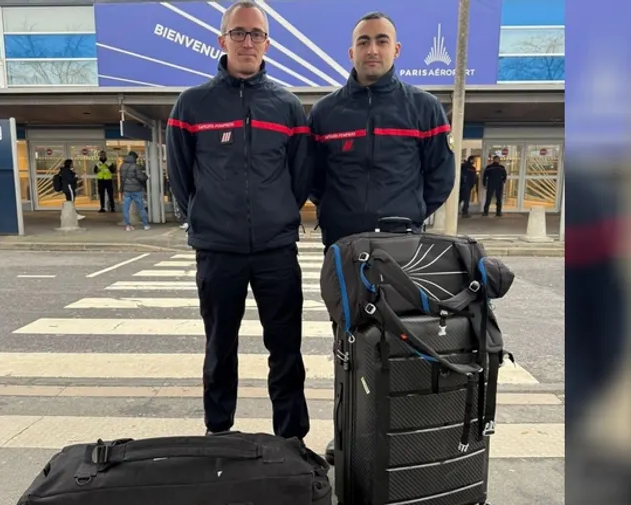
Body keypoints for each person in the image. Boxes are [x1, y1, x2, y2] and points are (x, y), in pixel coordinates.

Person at [307, 11, 455, 463]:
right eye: (364, 41)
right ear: (351, 52)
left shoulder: (424, 108)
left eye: (382, 40)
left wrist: (407, 218)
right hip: (345, 251)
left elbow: (440, 177)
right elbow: (314, 178)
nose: (373, 49)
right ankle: (348, 434)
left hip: (402, 253)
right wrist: (340, 218)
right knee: (348, 342)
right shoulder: (325, 112)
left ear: (396, 50)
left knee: (402, 341)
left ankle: (399, 436)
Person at [165, 0, 312, 441]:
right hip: (218, 251)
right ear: (222, 39)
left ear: (267, 43)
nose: (248, 42)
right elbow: (180, 176)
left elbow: (300, 177)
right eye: (239, 32)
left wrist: (276, 214)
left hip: (275, 252)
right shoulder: (192, 105)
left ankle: (291, 441)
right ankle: (218, 435)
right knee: (219, 348)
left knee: (285, 350)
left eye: (257, 35)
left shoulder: (287, 106)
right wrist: (207, 218)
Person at [118, 151, 150, 231]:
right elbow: (140, 178)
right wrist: (146, 177)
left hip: (126, 190)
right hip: (136, 190)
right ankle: (145, 225)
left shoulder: (122, 166)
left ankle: (127, 226)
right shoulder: (136, 166)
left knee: (126, 208)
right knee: (141, 208)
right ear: (135, 158)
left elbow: (122, 178)